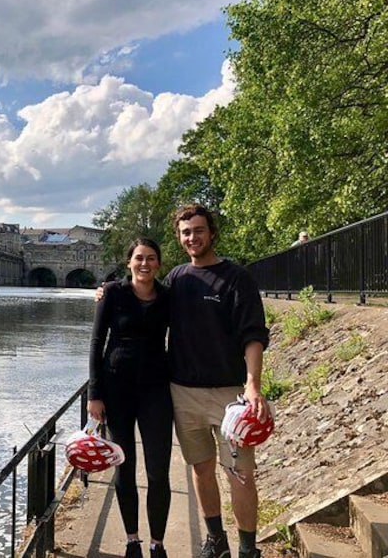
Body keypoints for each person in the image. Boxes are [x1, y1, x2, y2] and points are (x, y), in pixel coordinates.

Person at [95, 205, 271, 558]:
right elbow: (141, 295)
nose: (193, 237)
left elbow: (254, 335)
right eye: (186, 232)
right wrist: (107, 294)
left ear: (212, 233)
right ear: (179, 237)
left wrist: (253, 384)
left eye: (199, 230)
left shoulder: (236, 278)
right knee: (201, 470)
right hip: (183, 392)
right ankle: (215, 541)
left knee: (240, 474)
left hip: (228, 394)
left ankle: (248, 549)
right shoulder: (177, 279)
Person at [89, 238, 172, 558]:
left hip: (155, 390)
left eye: (151, 258)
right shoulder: (112, 294)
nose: (145, 264)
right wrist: (95, 394)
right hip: (117, 389)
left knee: (158, 471)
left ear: (159, 264)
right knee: (124, 467)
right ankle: (132, 539)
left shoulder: (167, 296)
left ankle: (158, 543)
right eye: (139, 258)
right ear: (129, 262)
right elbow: (96, 343)